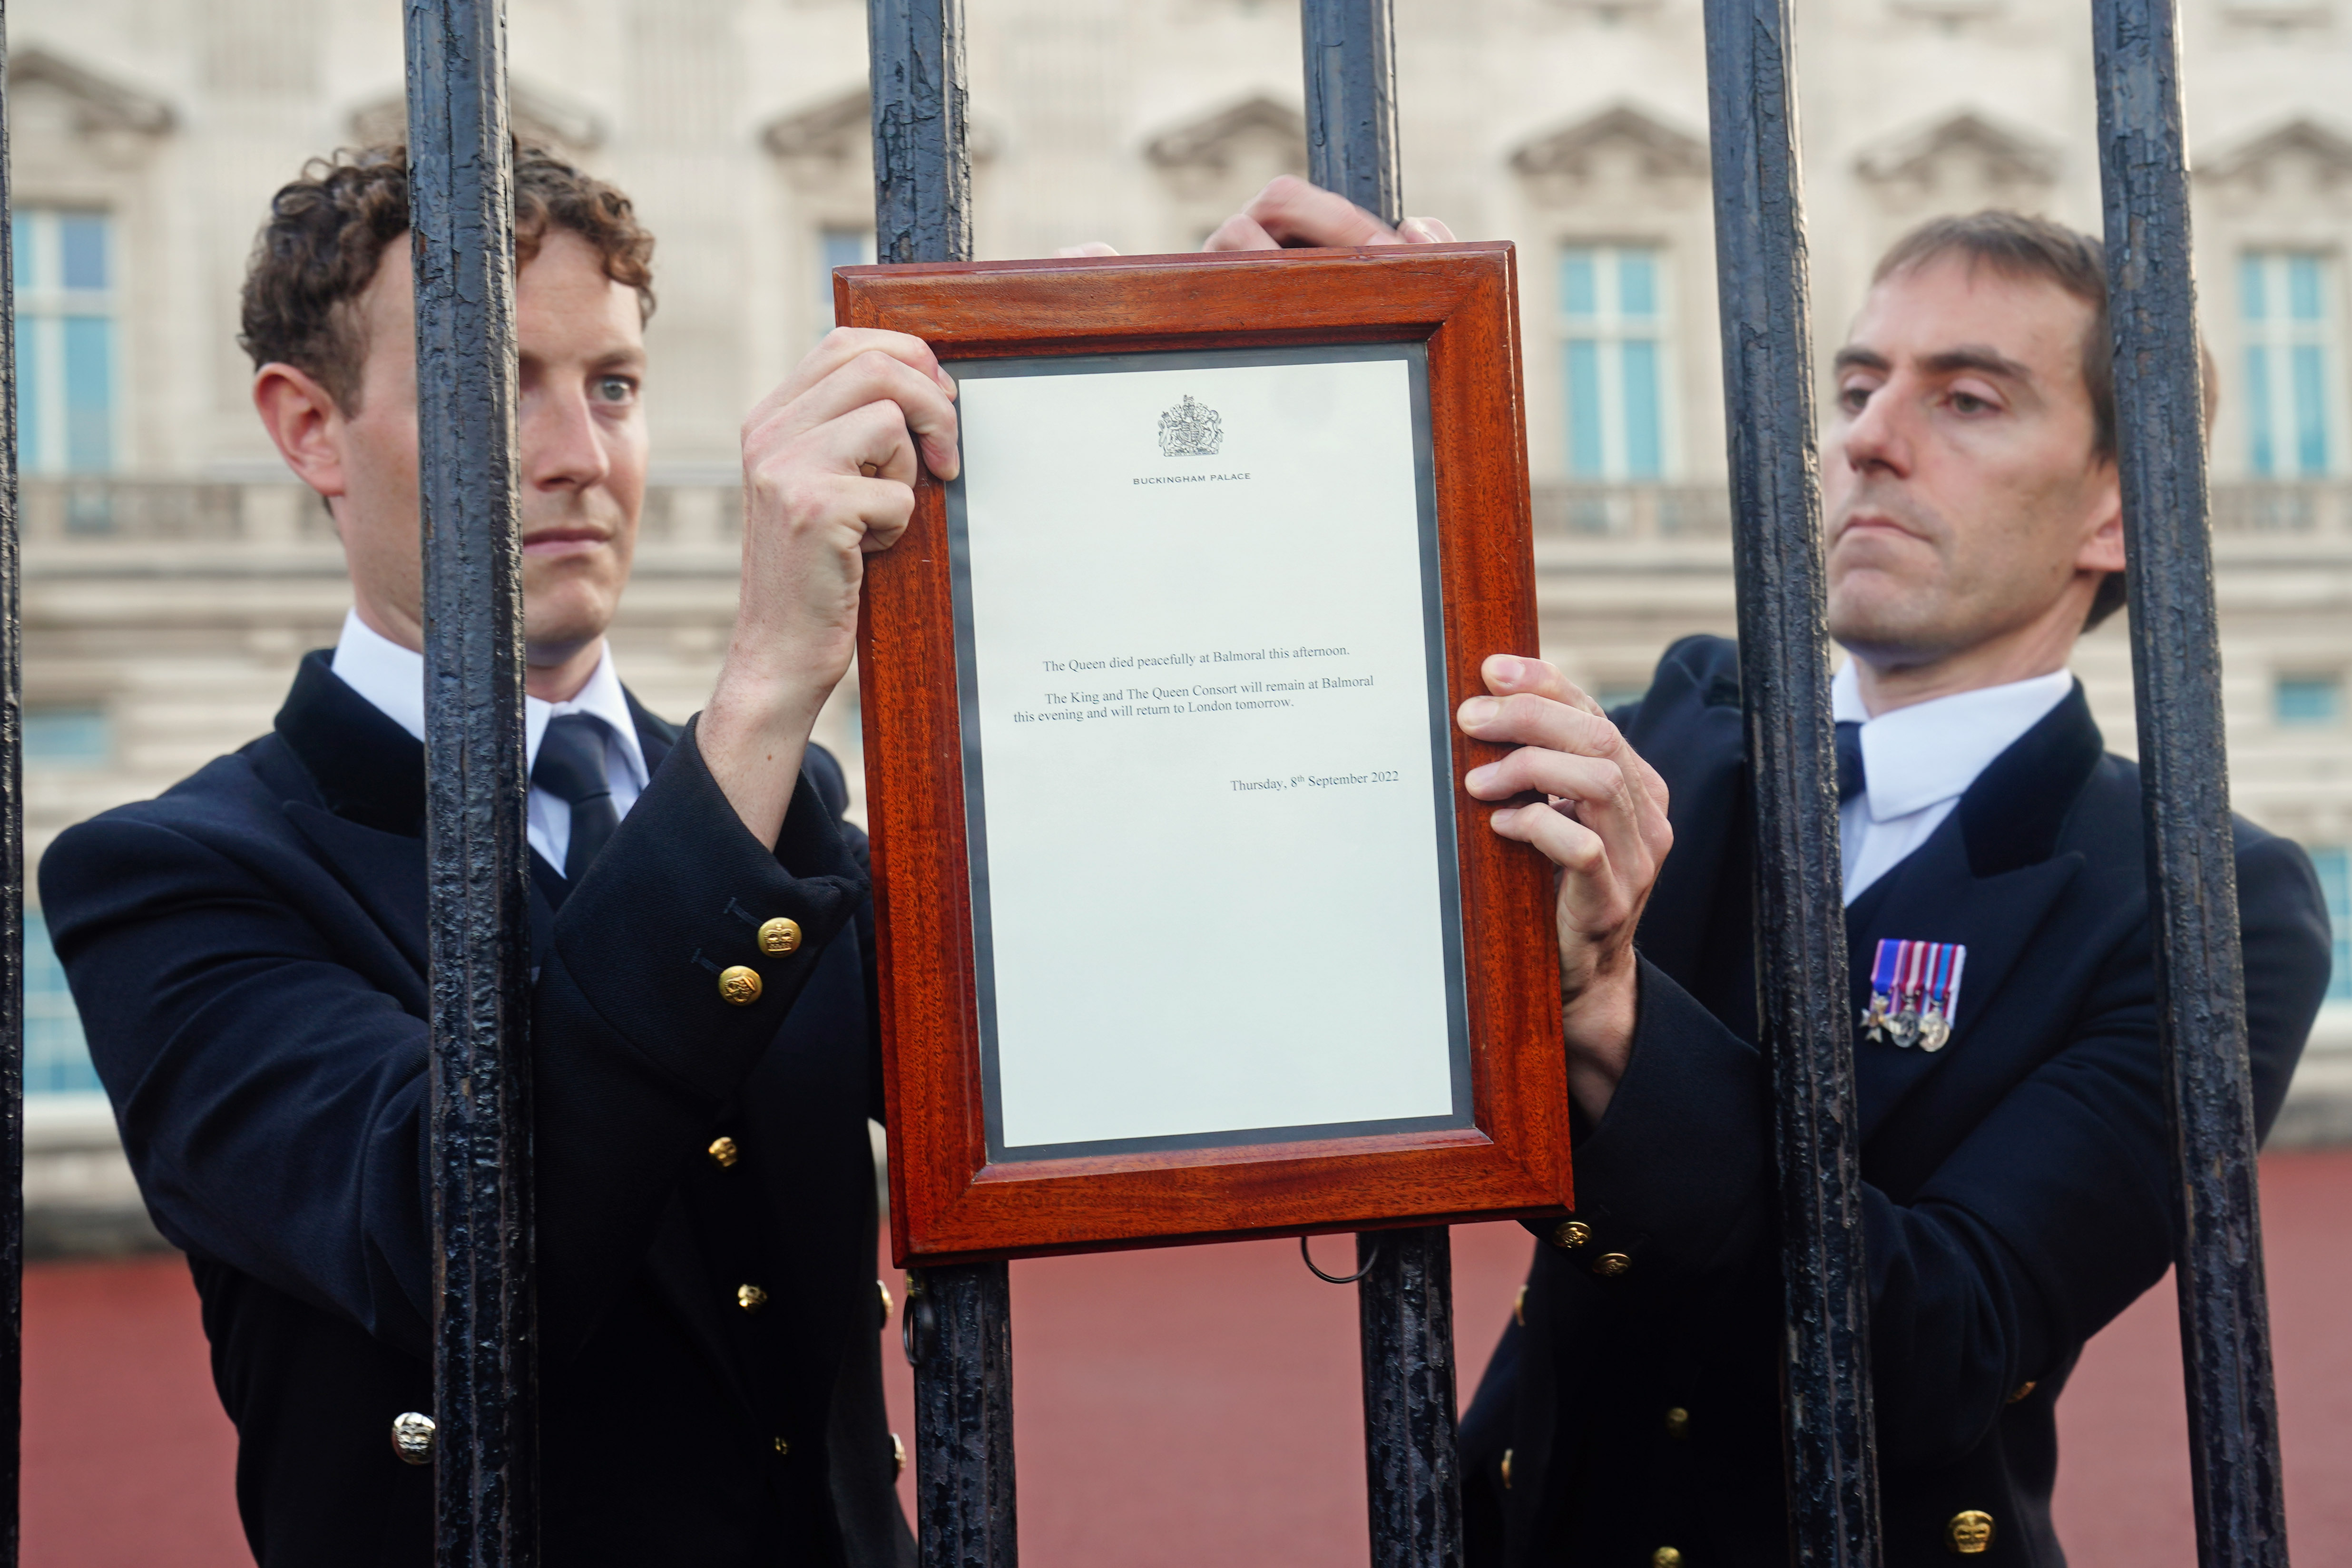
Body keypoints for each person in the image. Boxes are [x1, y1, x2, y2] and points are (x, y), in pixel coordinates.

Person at [1203, 182, 2333, 1563]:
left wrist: (1609, 1010)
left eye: (1967, 400)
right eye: (1859, 385)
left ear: (2119, 507)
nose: (1867, 438)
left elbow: (1943, 1342)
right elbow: (1326, 877)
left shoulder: (2203, 895)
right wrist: (1310, 407)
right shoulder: (1693, 722)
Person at [40, 143, 959, 1567]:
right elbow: (449, 1243)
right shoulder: (170, 876)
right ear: (309, 429)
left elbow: (1085, 1050)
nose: (579, 456)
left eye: (614, 386)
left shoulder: (780, 800)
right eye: (496, 384)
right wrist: (769, 677)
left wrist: (1176, 409)